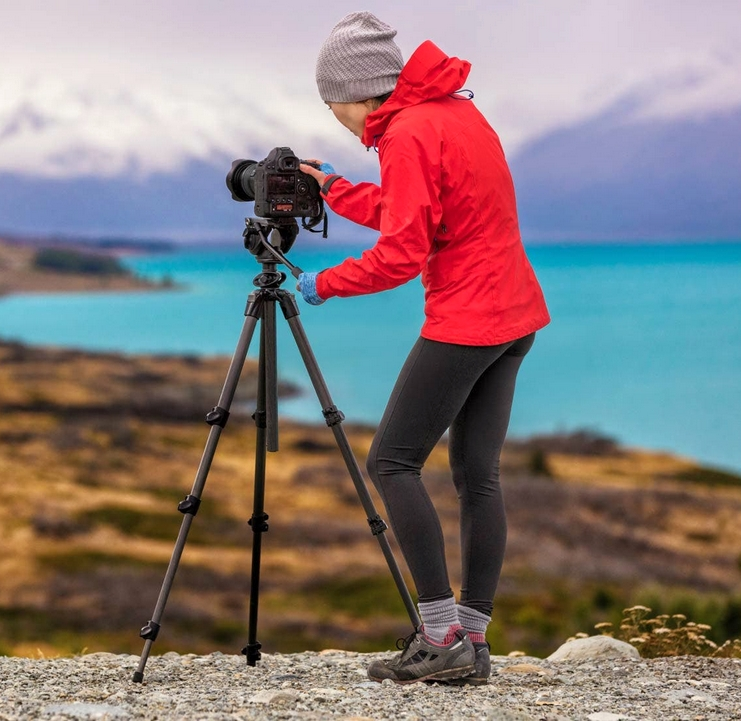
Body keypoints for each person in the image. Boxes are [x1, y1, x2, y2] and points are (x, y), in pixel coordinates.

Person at [297, 12, 551, 685]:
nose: (335, 117)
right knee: (478, 475)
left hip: (467, 319)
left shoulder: (406, 133)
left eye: (332, 102)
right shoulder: (455, 113)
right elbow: (422, 209)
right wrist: (333, 188)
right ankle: (472, 639)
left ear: (360, 91)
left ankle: (439, 639)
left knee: (392, 462)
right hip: (515, 315)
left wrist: (324, 282)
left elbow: (402, 253)